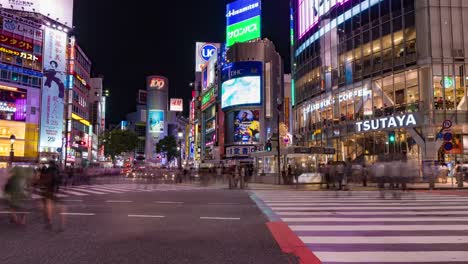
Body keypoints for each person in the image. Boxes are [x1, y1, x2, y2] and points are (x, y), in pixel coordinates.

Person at [40, 160, 65, 230]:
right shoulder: (57, 170)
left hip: (49, 189)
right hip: (55, 189)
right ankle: (61, 223)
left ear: (50, 164)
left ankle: (49, 222)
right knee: (58, 206)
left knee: (48, 207)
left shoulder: (49, 170)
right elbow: (60, 178)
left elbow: (46, 179)